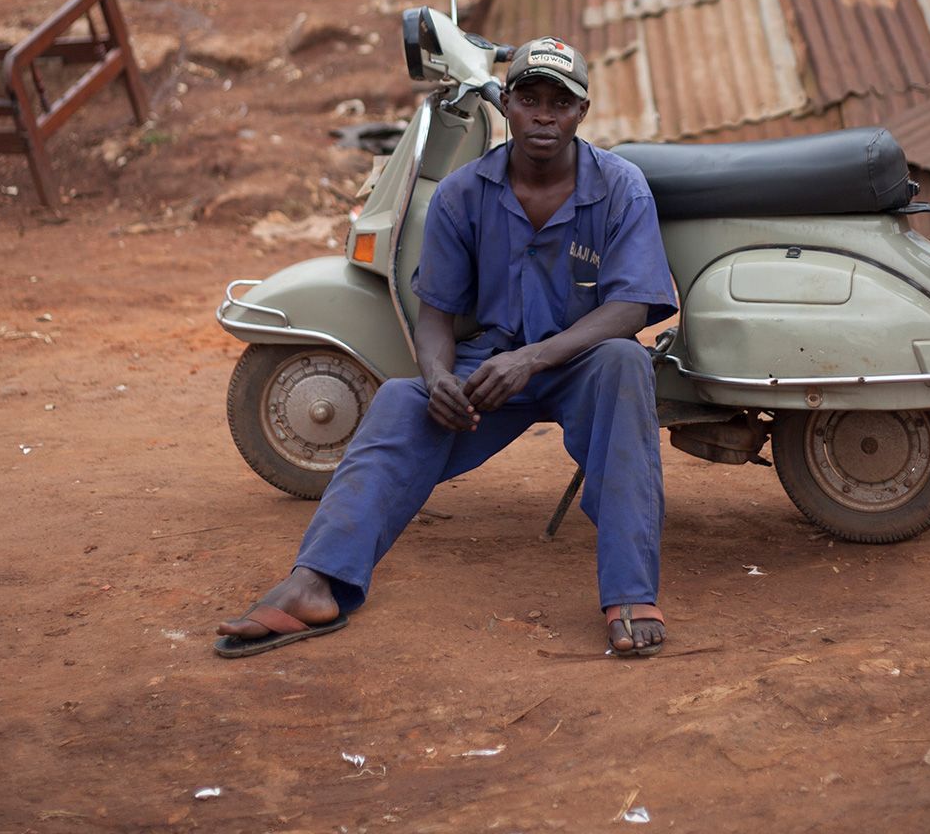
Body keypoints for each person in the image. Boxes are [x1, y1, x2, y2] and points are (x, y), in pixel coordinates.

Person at [215, 36, 677, 660]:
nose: (544, 115)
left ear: (581, 113)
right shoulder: (464, 193)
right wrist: (437, 377)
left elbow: (629, 309)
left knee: (624, 361)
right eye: (530, 98)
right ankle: (316, 582)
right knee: (401, 402)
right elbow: (437, 313)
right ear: (506, 104)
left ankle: (629, 591)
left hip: (578, 363)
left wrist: (534, 358)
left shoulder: (621, 187)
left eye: (560, 103)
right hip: (486, 368)